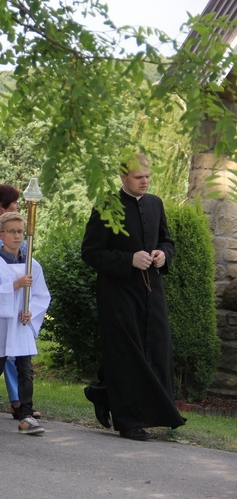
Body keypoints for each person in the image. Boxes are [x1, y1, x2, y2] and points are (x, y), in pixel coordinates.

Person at [81, 153, 186, 441]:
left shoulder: (155, 204)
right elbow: (90, 252)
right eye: (139, 177)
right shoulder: (107, 206)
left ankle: (106, 395)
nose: (145, 181)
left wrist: (163, 255)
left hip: (152, 291)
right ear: (123, 177)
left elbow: (166, 240)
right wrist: (128, 260)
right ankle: (128, 421)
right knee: (127, 355)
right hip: (117, 294)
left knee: (156, 348)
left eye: (148, 176)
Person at [0, 212, 51, 435]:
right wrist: (14, 285)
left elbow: (41, 295)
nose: (16, 236)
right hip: (1, 326)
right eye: (11, 231)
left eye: (20, 232)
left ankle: (26, 416)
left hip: (21, 325)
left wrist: (30, 312)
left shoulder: (32, 264)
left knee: (26, 368)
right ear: (0, 234)